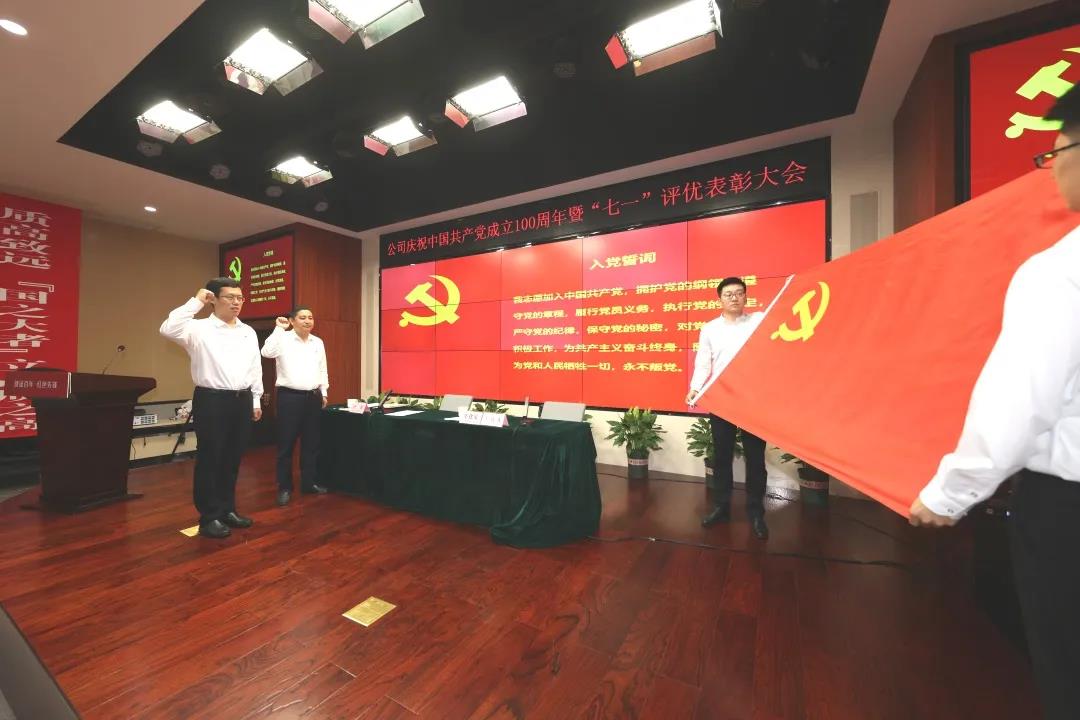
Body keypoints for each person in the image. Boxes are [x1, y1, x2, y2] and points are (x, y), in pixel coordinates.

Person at [909, 86, 1080, 720]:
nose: (1052, 169)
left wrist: (949, 493)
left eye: (1056, 152)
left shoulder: (1059, 270)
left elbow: (1020, 402)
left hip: (1067, 510)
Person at [159, 278, 263, 539]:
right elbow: (168, 329)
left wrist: (255, 400)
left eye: (240, 298)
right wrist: (196, 302)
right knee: (211, 458)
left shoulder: (248, 331)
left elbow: (255, 367)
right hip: (212, 399)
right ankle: (209, 517)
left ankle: (227, 509)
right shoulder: (197, 328)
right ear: (213, 299)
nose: (236, 302)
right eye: (230, 297)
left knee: (232, 459)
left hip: (242, 399)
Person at [686, 276, 769, 539]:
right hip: (722, 399)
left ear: (746, 297)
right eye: (729, 294)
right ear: (720, 299)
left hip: (753, 400)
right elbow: (703, 362)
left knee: (756, 458)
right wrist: (696, 387)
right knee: (721, 457)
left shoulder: (759, 321)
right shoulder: (710, 328)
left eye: (739, 293)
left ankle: (756, 513)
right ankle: (721, 508)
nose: (734, 298)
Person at [261, 306, 329, 506]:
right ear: (292, 321)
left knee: (311, 443)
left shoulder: (318, 342)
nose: (308, 321)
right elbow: (266, 352)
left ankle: (309, 483)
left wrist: (324, 392)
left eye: (310, 317)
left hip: (313, 397)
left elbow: (323, 369)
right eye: (302, 317)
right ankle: (284, 487)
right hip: (289, 397)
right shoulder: (283, 338)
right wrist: (278, 329)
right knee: (286, 444)